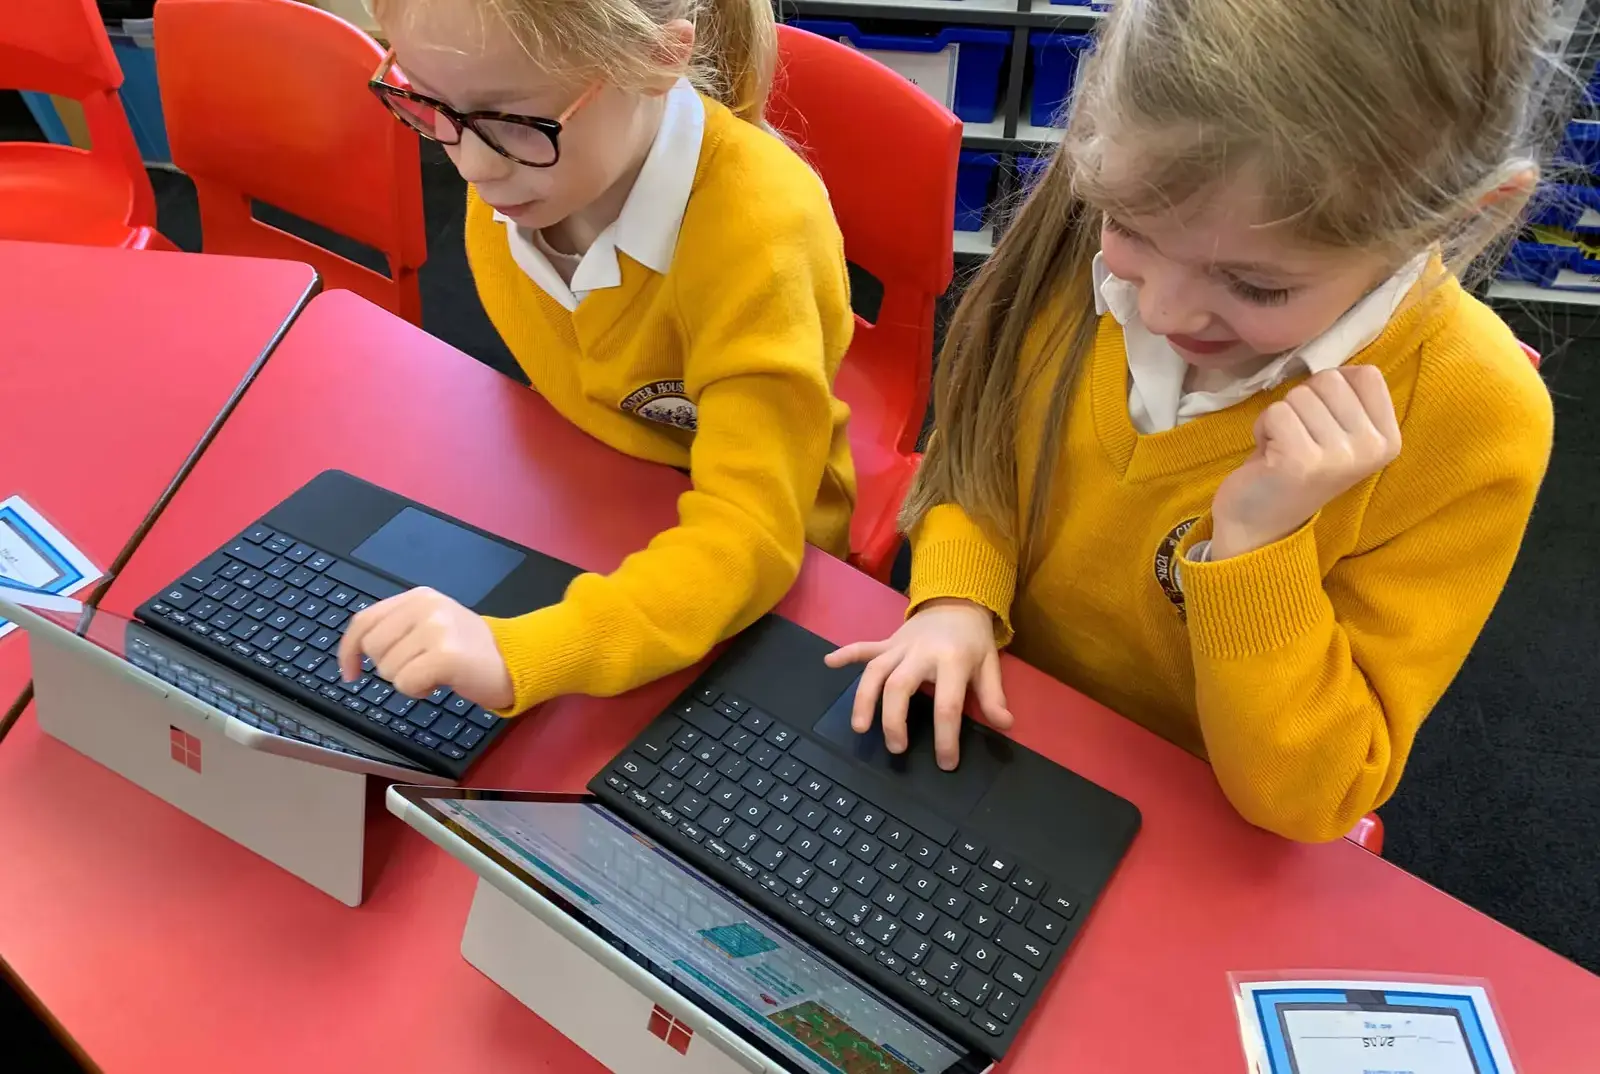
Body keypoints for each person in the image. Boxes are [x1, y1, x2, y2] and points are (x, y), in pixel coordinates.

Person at [828, 0, 1555, 842]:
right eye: (1129, 230)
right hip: (1007, 723)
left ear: (1458, 217)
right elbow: (979, 450)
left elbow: (1315, 795)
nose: (1162, 306)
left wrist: (1255, 550)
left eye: (1256, 286)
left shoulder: (1474, 418)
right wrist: (957, 595)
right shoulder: (1129, 198)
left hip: (1199, 818)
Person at [339, 0, 856, 715]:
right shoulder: (522, 177)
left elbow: (752, 532)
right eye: (431, 105)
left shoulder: (759, 236)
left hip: (763, 574)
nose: (470, 164)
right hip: (594, 506)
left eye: (509, 120)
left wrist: (523, 656)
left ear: (655, 60)